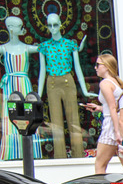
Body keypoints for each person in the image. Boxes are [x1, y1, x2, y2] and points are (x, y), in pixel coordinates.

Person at [38, 13, 97, 158]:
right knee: (56, 123)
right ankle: (60, 158)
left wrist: (84, 90)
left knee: (73, 119)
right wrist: (38, 95)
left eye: (55, 24)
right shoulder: (43, 47)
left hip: (67, 81)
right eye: (50, 25)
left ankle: (78, 156)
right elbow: (42, 71)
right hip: (51, 83)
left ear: (61, 24)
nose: (53, 28)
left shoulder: (70, 44)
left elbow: (78, 68)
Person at [0, 16, 43, 160]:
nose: (22, 29)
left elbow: (44, 48)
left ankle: (30, 153)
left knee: (28, 114)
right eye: (19, 26)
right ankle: (11, 153)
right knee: (10, 116)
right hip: (10, 85)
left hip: (24, 84)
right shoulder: (3, 48)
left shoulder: (27, 48)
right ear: (11, 29)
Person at [84, 54, 123, 174]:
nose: (96, 68)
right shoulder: (117, 82)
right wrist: (99, 108)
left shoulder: (105, 83)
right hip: (119, 122)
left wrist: (116, 132)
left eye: (98, 65)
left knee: (100, 165)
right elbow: (114, 107)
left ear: (106, 66)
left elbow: (112, 108)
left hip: (111, 125)